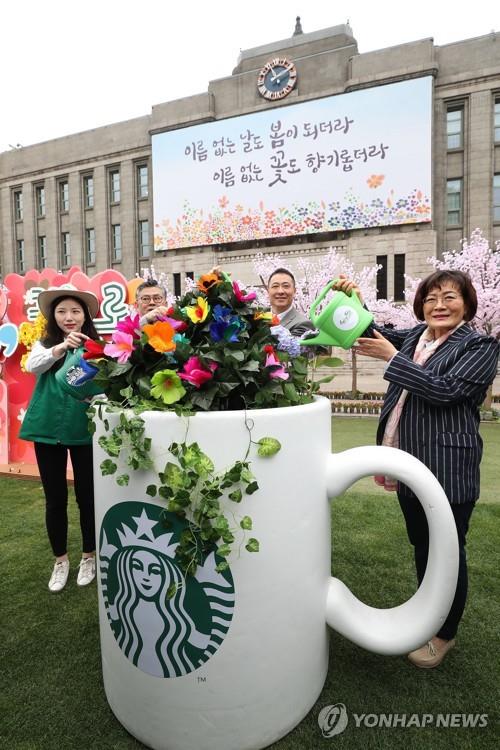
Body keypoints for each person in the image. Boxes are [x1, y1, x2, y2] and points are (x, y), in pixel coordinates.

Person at [333, 271, 499, 668]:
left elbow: (445, 392)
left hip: (447, 466)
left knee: (448, 552)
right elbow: (374, 329)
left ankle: (444, 634)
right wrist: (354, 300)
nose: (439, 305)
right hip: (408, 463)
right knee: (423, 545)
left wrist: (393, 358)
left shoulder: (480, 344)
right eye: (431, 299)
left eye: (450, 297)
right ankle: (428, 616)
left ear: (468, 304)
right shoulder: (415, 338)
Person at [20, 285, 100, 593]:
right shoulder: (45, 344)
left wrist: (93, 399)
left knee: (87, 497)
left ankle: (89, 556)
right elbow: (31, 366)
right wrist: (60, 348)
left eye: (75, 311)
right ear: (54, 315)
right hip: (46, 428)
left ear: (85, 316)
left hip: (82, 429)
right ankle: (61, 560)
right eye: (62, 311)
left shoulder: (98, 347)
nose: (69, 317)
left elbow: (104, 387)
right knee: (55, 499)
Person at [267, 268, 315, 337]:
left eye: (286, 286)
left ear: (294, 291)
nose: (280, 291)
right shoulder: (258, 318)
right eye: (275, 286)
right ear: (268, 291)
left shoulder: (303, 324)